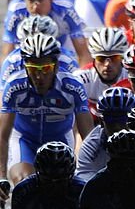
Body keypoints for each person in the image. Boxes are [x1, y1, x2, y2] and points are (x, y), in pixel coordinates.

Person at [0, 34, 92, 191]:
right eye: (33, 69)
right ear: (25, 67)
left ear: (56, 66)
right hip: (24, 140)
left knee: (64, 188)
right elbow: (2, 136)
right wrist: (1, 177)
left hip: (60, 140)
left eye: (46, 69)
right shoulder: (14, 86)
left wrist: (93, 175)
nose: (39, 76)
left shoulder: (73, 87)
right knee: (25, 184)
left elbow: (88, 137)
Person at [1, 0, 89, 65]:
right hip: (27, 52)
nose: (35, 7)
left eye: (40, 0)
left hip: (61, 50)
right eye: (30, 0)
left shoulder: (65, 9)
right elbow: (7, 55)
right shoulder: (16, 9)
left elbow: (83, 54)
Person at [74, 86, 135, 181]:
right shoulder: (91, 146)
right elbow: (84, 183)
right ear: (101, 121)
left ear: (134, 121)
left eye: (122, 120)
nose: (117, 127)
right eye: (110, 120)